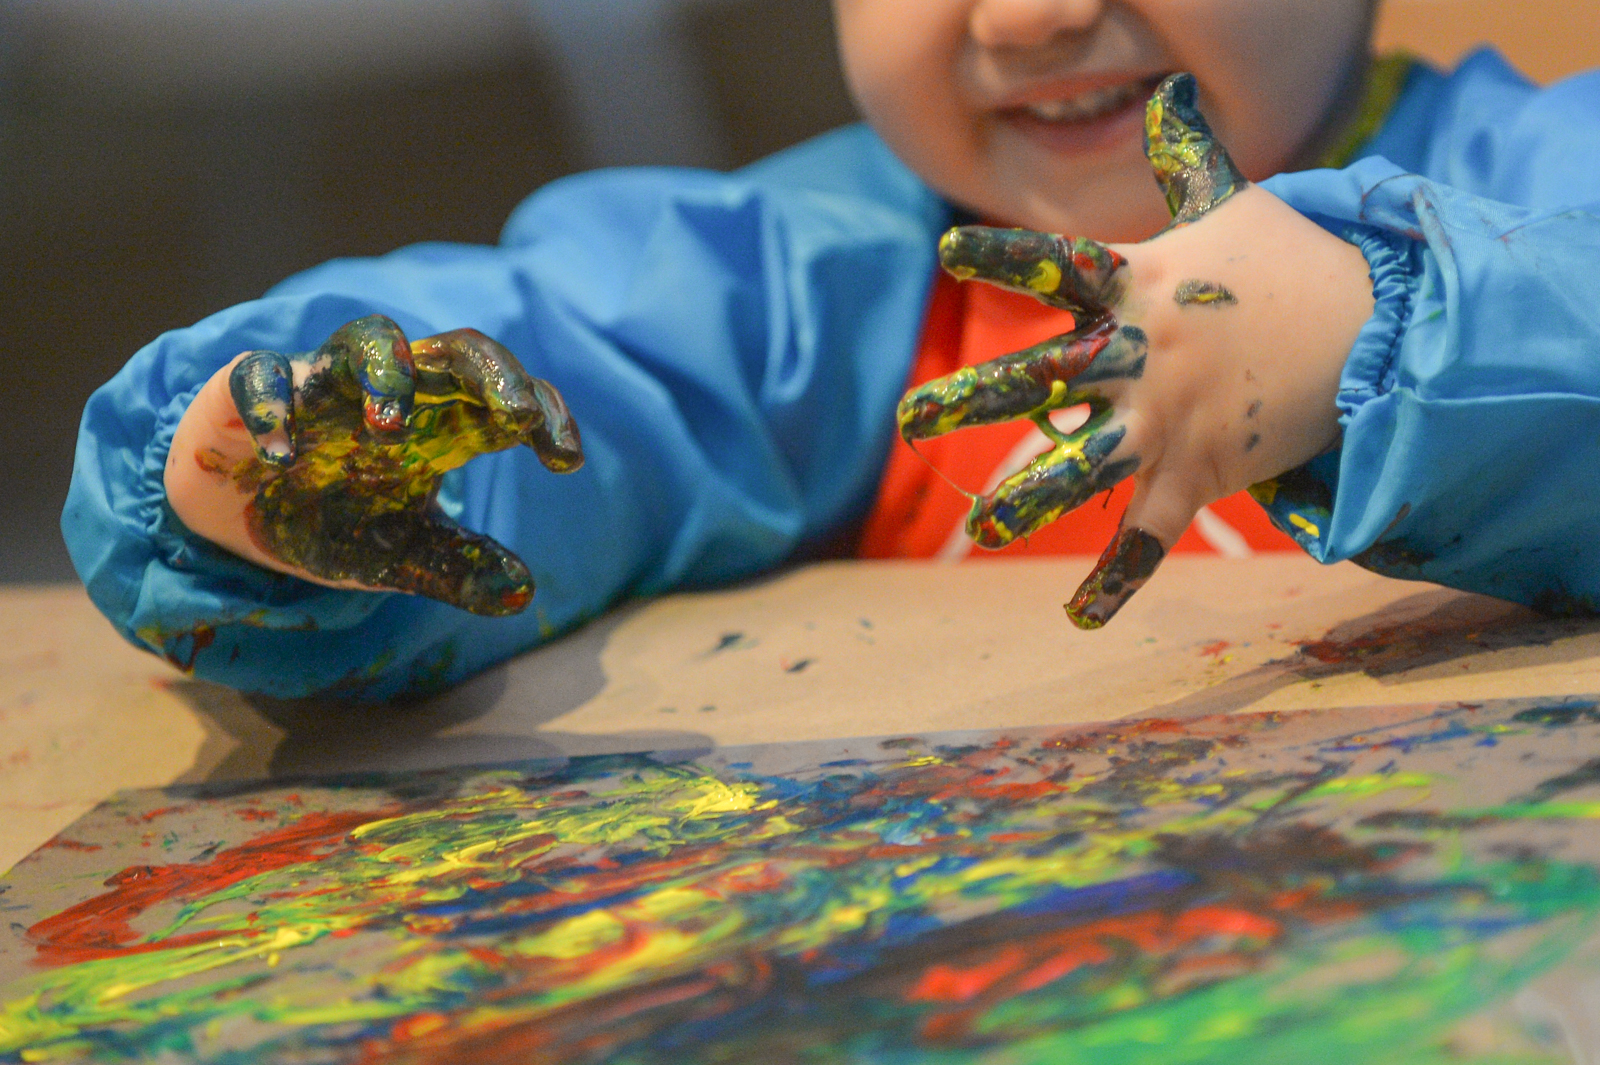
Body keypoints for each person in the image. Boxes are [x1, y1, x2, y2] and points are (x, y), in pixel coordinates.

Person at [65, 0, 1600, 699]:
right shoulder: (828, 271)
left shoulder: (1534, 173)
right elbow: (580, 363)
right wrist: (262, 488)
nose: (1032, 17)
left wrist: (1383, 326)